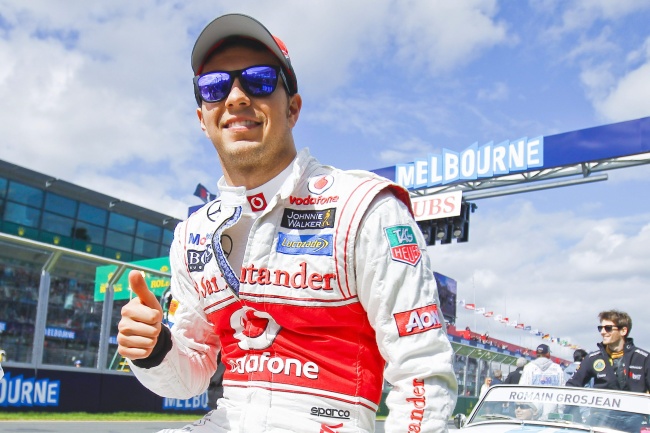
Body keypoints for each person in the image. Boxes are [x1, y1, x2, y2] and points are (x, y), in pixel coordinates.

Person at [117, 12, 457, 433]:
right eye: (214, 86)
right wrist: (154, 347)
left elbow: (422, 371)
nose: (236, 97)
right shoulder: (194, 235)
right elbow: (191, 376)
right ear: (202, 118)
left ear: (293, 108)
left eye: (259, 80)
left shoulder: (364, 208)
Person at [566, 310, 650, 432]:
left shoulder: (643, 358)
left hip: (634, 420)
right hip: (600, 419)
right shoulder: (592, 358)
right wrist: (575, 418)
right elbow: (572, 386)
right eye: (601, 328)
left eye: (608, 328)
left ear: (623, 331)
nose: (603, 332)